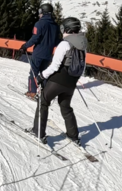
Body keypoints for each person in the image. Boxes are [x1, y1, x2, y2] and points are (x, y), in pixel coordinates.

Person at [27, 17, 87, 146]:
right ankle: (73, 136)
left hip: (57, 81)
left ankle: (38, 132)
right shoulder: (82, 45)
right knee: (65, 107)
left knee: (43, 102)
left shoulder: (64, 44)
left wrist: (41, 76)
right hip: (71, 83)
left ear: (66, 29)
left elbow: (54, 66)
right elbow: (82, 66)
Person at [19, 3, 60, 99]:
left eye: (40, 12)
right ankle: (45, 92)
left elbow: (35, 38)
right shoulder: (55, 25)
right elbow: (57, 41)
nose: (39, 14)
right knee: (44, 74)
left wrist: (25, 46)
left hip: (38, 53)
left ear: (43, 12)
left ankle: (32, 92)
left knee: (33, 73)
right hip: (48, 54)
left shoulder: (39, 24)